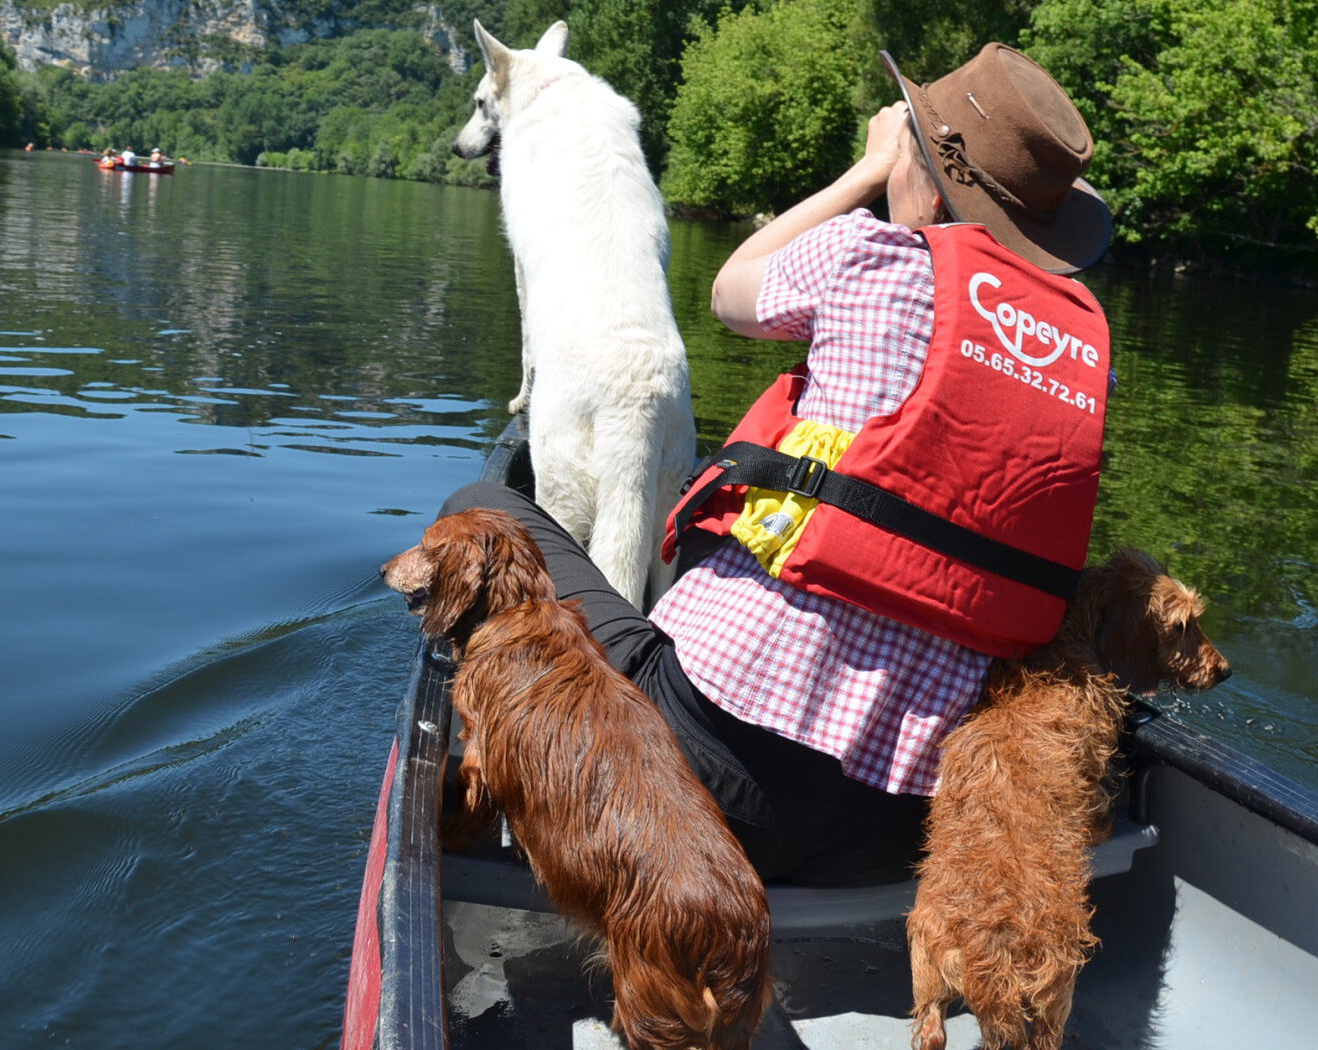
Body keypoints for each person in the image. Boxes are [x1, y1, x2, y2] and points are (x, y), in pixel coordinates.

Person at [438, 43, 1115, 886]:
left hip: (699, 777)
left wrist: (868, 175)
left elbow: (730, 289)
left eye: (907, 133)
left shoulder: (869, 259)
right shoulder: (1085, 354)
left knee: (474, 513)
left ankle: (492, 771)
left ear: (926, 169)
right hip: (892, 828)